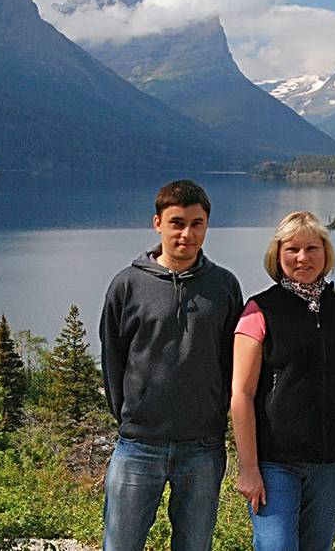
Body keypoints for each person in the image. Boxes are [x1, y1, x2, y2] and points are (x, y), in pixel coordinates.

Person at [100, 179, 243, 551]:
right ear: (157, 223)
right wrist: (132, 416)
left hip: (202, 446)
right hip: (138, 445)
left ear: (207, 225)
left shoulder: (224, 286)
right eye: (177, 223)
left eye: (197, 224)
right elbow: (112, 358)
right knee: (121, 544)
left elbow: (233, 360)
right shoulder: (127, 285)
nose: (187, 234)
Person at [231, 211, 335, 550]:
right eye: (292, 249)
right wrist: (249, 468)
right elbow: (241, 394)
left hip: (331, 461)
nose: (303, 258)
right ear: (277, 254)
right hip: (275, 461)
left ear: (326, 253)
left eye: (312, 248)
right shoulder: (259, 310)